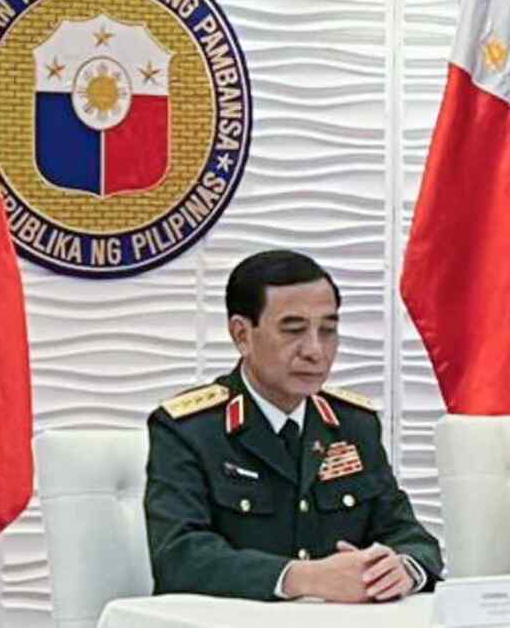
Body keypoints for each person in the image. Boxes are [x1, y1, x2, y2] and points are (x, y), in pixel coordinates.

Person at [145, 250, 442, 602]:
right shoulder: (190, 429)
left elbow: (410, 536)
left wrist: (402, 569)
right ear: (242, 334)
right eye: (294, 331)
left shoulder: (353, 425)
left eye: (328, 330)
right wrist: (303, 578)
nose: (315, 350)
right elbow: (179, 558)